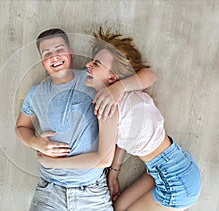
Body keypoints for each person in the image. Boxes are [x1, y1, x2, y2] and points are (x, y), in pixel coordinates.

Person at [38, 28, 201, 211]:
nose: (87, 66)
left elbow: (102, 160)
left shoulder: (110, 101)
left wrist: (54, 163)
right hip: (174, 165)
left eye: (97, 64)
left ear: (113, 77)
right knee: (119, 206)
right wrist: (114, 174)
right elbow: (125, 133)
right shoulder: (128, 91)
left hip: (174, 180)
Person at [15, 28, 156, 211]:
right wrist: (36, 142)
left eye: (59, 50)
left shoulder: (92, 79)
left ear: (71, 53)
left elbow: (148, 76)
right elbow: (21, 127)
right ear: (42, 61)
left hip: (92, 192)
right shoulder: (36, 92)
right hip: (50, 190)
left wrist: (117, 88)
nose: (54, 57)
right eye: (47, 53)